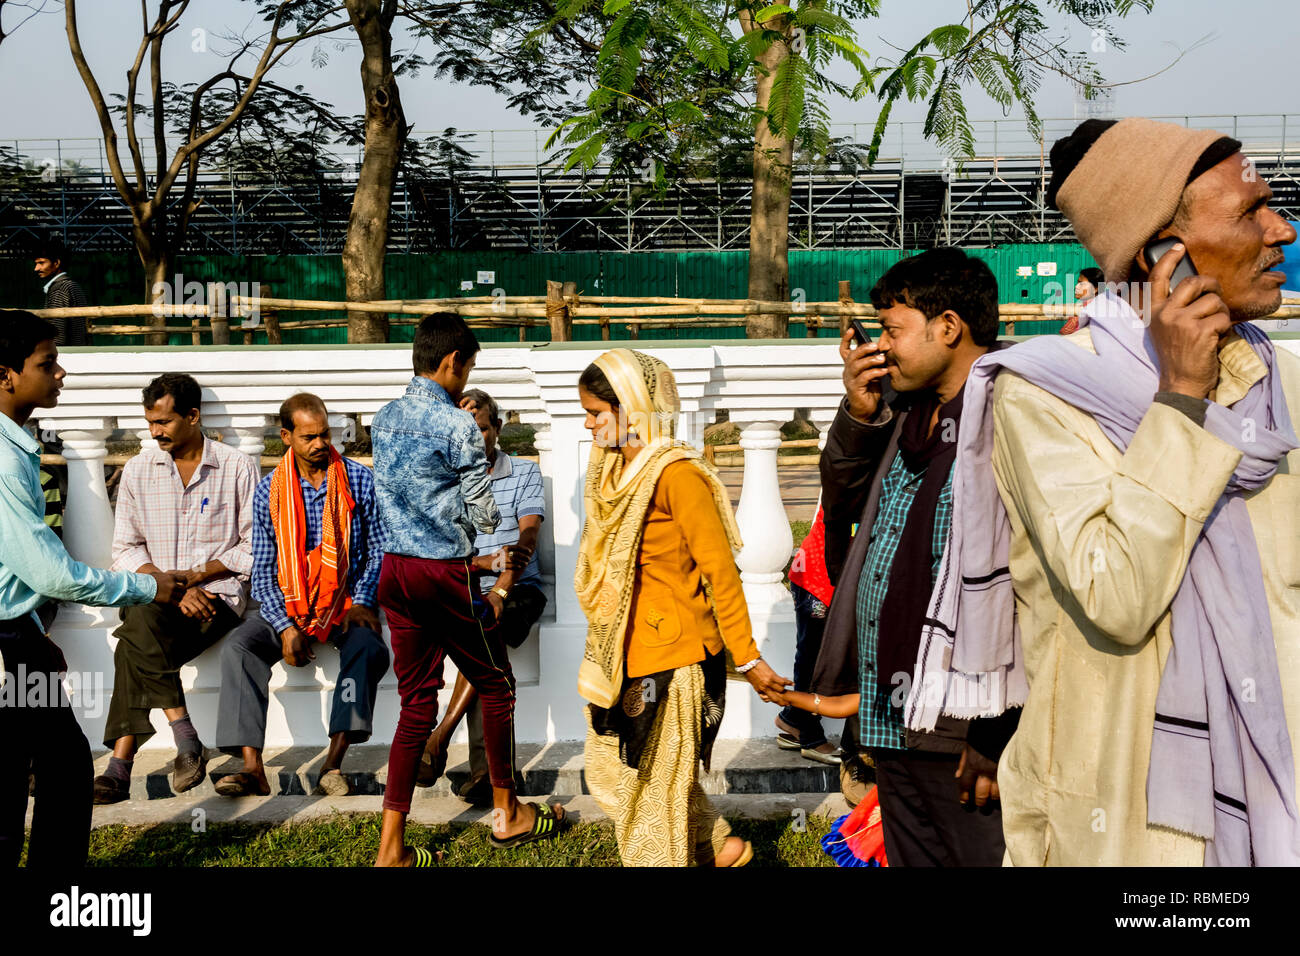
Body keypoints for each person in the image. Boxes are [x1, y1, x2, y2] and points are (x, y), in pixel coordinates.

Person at [931, 117, 1300, 866]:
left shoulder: (1279, 385)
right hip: (1126, 826)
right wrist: (1180, 402)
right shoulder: (1044, 397)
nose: (1283, 231)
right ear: (1162, 256)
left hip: (1276, 800)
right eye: (1250, 214)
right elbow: (1119, 595)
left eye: (1274, 206)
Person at [800, 248, 1018, 867]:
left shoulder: (1016, 413)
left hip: (966, 730)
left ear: (948, 327)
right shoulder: (904, 415)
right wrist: (860, 415)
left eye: (894, 331)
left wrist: (992, 735)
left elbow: (1026, 588)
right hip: (890, 717)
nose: (883, 348)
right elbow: (840, 497)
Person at [574, 348, 789, 867]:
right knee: (618, 774)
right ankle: (719, 848)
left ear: (632, 406)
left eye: (596, 413)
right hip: (621, 657)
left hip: (673, 662)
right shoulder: (612, 473)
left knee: (652, 800)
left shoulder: (676, 475)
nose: (589, 424)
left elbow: (721, 575)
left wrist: (750, 658)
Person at [370, 313, 564, 867]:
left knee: (415, 708)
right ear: (452, 363)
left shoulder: (384, 419)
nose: (465, 381)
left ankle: (390, 849)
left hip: (395, 572)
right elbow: (481, 512)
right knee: (497, 685)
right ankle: (507, 814)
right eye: (468, 369)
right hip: (441, 573)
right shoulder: (457, 425)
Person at [0, 310, 185, 867]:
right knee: (59, 768)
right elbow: (51, 574)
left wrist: (31, 630)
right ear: (5, 373)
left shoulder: (15, 447)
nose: (60, 373)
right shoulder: (5, 459)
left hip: (18, 637)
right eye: (46, 362)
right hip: (8, 643)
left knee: (43, 767)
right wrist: (146, 588)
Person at [93, 372, 261, 805]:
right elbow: (126, 548)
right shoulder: (138, 470)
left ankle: (122, 765)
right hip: (160, 598)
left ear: (192, 416)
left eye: (164, 422)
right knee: (142, 617)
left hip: (216, 601)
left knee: (131, 639)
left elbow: (255, 545)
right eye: (150, 422)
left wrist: (199, 577)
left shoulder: (236, 466)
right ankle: (182, 737)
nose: (154, 432)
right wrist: (170, 586)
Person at [214, 393, 389, 798]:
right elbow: (263, 568)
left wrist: (363, 601)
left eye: (325, 434)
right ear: (286, 436)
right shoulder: (268, 492)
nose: (320, 443)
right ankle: (252, 767)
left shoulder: (359, 480)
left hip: (344, 601)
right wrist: (285, 626)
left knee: (367, 647)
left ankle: (333, 764)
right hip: (287, 604)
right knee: (239, 648)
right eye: (309, 436)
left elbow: (378, 549)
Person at [416, 387, 546, 804]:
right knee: (490, 662)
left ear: (498, 429)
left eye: (482, 429)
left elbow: (527, 539)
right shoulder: (445, 484)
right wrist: (479, 568)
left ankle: (440, 737)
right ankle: (488, 775)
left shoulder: (523, 473)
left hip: (520, 589)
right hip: (467, 590)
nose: (474, 439)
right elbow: (439, 555)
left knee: (486, 636)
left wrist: (502, 586)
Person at [775, 502, 841, 765]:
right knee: (814, 658)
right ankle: (809, 735)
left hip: (828, 579)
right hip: (817, 580)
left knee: (818, 655)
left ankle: (792, 720)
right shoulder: (851, 479)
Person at [33, 243, 89, 347]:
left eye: (41, 263)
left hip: (67, 354)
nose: (36, 268)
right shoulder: (70, 284)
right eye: (36, 263)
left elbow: (57, 333)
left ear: (56, 263)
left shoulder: (59, 288)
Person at [1059, 266, 1104, 334]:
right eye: (1078, 283)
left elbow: (1065, 331)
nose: (1076, 287)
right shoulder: (1086, 307)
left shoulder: (1092, 310)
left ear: (1095, 289)